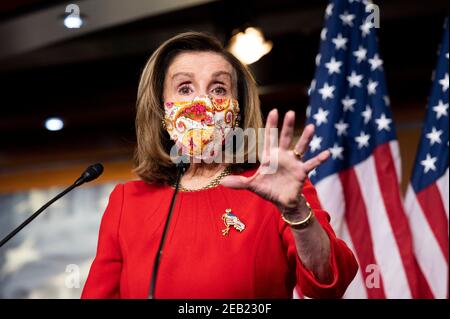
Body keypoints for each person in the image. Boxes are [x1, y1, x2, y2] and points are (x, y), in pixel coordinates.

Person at [81, 31, 358, 299]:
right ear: (161, 108)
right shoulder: (127, 203)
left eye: (218, 89)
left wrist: (296, 211)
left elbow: (330, 282)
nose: (203, 103)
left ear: (238, 108)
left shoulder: (273, 187)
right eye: (185, 88)